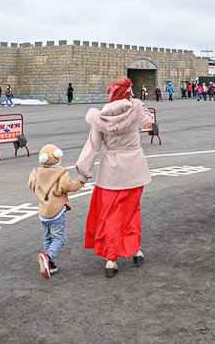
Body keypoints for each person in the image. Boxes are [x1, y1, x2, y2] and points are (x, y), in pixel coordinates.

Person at [75, 78, 152, 279]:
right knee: (132, 210)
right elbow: (148, 120)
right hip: (135, 168)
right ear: (128, 93)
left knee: (111, 215)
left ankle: (111, 259)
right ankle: (135, 250)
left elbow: (92, 146)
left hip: (111, 171)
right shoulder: (136, 110)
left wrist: (83, 173)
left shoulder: (101, 115)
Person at [29, 144, 85, 278]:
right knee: (59, 238)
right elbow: (68, 186)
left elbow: (31, 184)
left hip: (43, 212)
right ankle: (48, 257)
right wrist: (80, 182)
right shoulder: (61, 173)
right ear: (58, 158)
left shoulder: (39, 174)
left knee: (48, 237)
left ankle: (49, 263)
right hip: (56, 212)